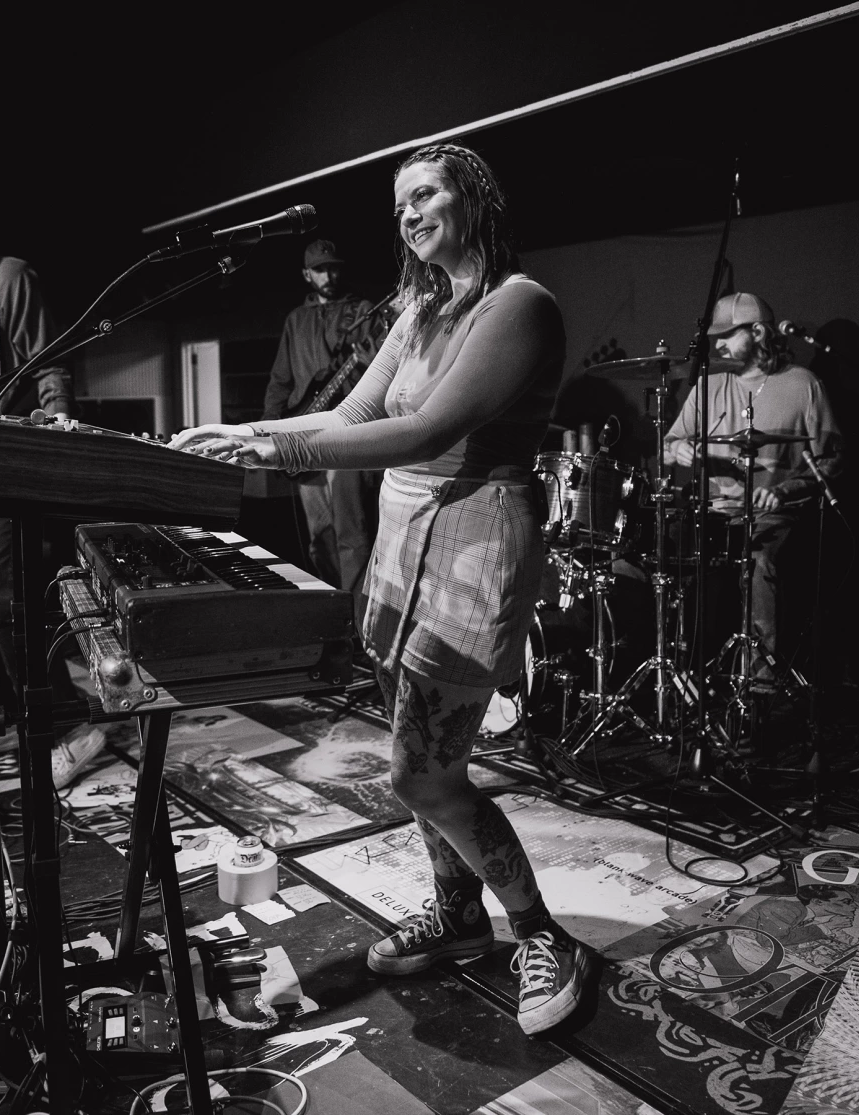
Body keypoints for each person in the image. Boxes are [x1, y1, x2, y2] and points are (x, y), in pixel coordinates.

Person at [170, 143, 590, 1035]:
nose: (407, 213)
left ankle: (542, 932)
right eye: (399, 202)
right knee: (423, 764)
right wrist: (245, 427)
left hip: (476, 543)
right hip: (406, 539)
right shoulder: (419, 306)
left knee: (421, 774)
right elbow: (357, 414)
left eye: (425, 193)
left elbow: (429, 427)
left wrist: (276, 451)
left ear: (472, 196)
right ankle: (459, 915)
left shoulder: (521, 306)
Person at [0, 239, 107, 788]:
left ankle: (68, 727)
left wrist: (60, 431)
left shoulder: (8, 276)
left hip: (1, 456)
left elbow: (47, 362)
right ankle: (3, 710)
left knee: (5, 599)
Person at [663, 292, 842, 681]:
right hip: (713, 512)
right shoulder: (708, 387)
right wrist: (682, 450)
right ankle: (681, 679)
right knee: (662, 552)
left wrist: (783, 491)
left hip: (774, 513)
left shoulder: (803, 385)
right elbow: (668, 446)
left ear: (758, 332)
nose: (719, 345)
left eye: (727, 335)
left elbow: (832, 460)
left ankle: (757, 686)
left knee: (759, 561)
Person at [262, 239, 385, 598]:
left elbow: (381, 375)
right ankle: (334, 603)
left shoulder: (363, 312)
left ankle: (359, 616)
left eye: (334, 267)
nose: (329, 275)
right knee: (320, 535)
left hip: (348, 434)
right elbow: (281, 380)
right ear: (307, 274)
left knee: (353, 532)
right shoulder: (296, 320)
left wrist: (365, 364)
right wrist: (270, 428)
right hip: (304, 432)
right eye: (320, 269)